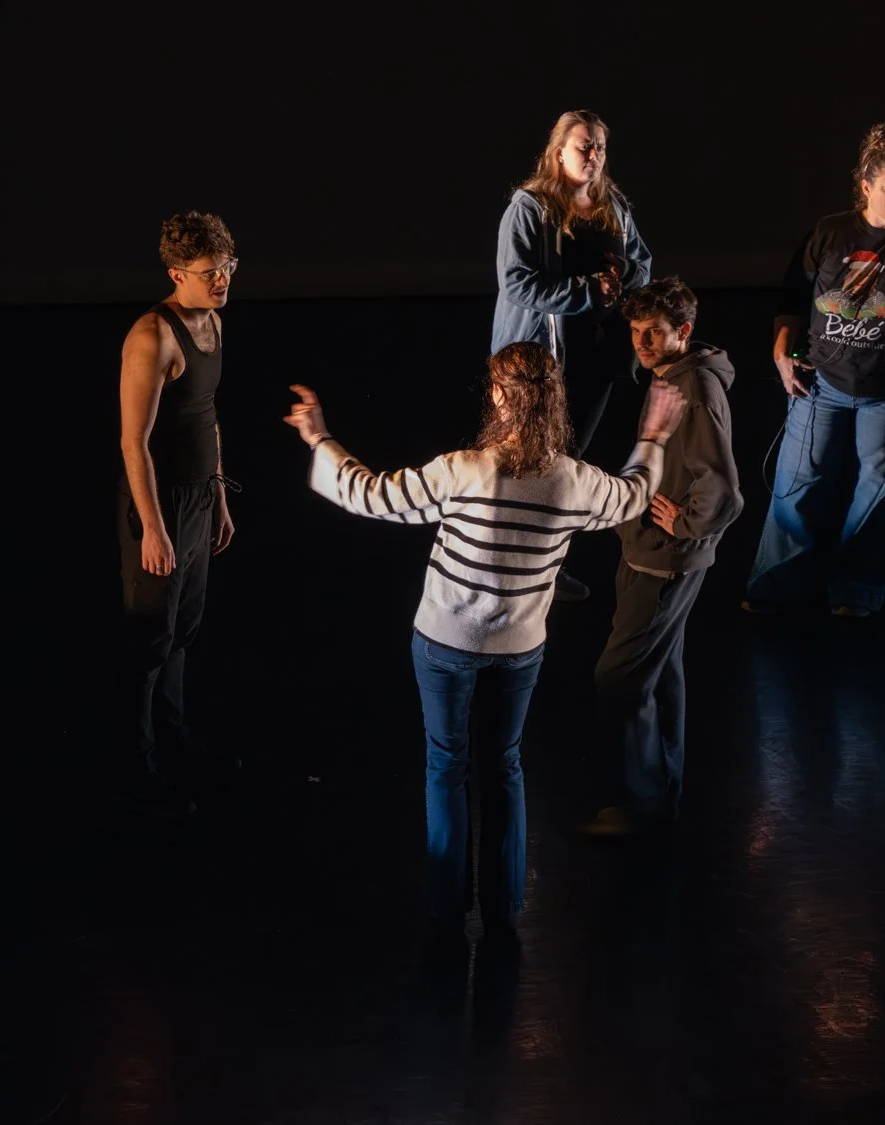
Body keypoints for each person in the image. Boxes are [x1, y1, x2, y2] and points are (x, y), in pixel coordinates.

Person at [282, 342, 684, 949]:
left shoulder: (462, 470)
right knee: (504, 768)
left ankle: (447, 911)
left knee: (446, 766)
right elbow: (630, 495)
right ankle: (503, 909)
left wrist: (319, 439)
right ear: (554, 404)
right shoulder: (573, 482)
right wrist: (652, 434)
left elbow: (368, 494)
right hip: (520, 650)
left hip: (443, 642)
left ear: (499, 397)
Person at [742, 123, 885, 619]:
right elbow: (793, 296)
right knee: (796, 484)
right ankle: (776, 587)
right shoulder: (830, 231)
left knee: (876, 493)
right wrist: (781, 352)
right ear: (865, 186)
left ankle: (856, 591)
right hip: (823, 383)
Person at [581, 277, 743, 836]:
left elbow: (720, 483)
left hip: (663, 559)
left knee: (619, 679)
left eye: (655, 333)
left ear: (685, 333)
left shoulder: (693, 387)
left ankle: (642, 806)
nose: (643, 343)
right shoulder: (671, 375)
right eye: (636, 331)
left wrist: (689, 524)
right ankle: (659, 799)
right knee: (658, 675)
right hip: (651, 551)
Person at [491, 108, 653, 602]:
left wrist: (621, 283)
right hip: (540, 362)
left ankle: (547, 566)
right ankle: (502, 562)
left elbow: (642, 264)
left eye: (599, 146)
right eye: (583, 145)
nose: (593, 155)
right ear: (558, 151)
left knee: (565, 464)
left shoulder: (613, 206)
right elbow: (516, 282)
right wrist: (588, 290)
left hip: (596, 360)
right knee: (520, 461)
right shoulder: (531, 206)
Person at [115, 210, 241, 818]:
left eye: (227, 268)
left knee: (182, 635)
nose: (221, 281)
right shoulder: (152, 336)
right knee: (148, 642)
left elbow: (208, 418)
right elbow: (133, 442)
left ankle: (176, 745)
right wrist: (153, 529)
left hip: (197, 500)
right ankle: (137, 771)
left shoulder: (212, 321)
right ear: (174, 272)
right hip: (158, 506)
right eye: (209, 273)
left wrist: (218, 497)